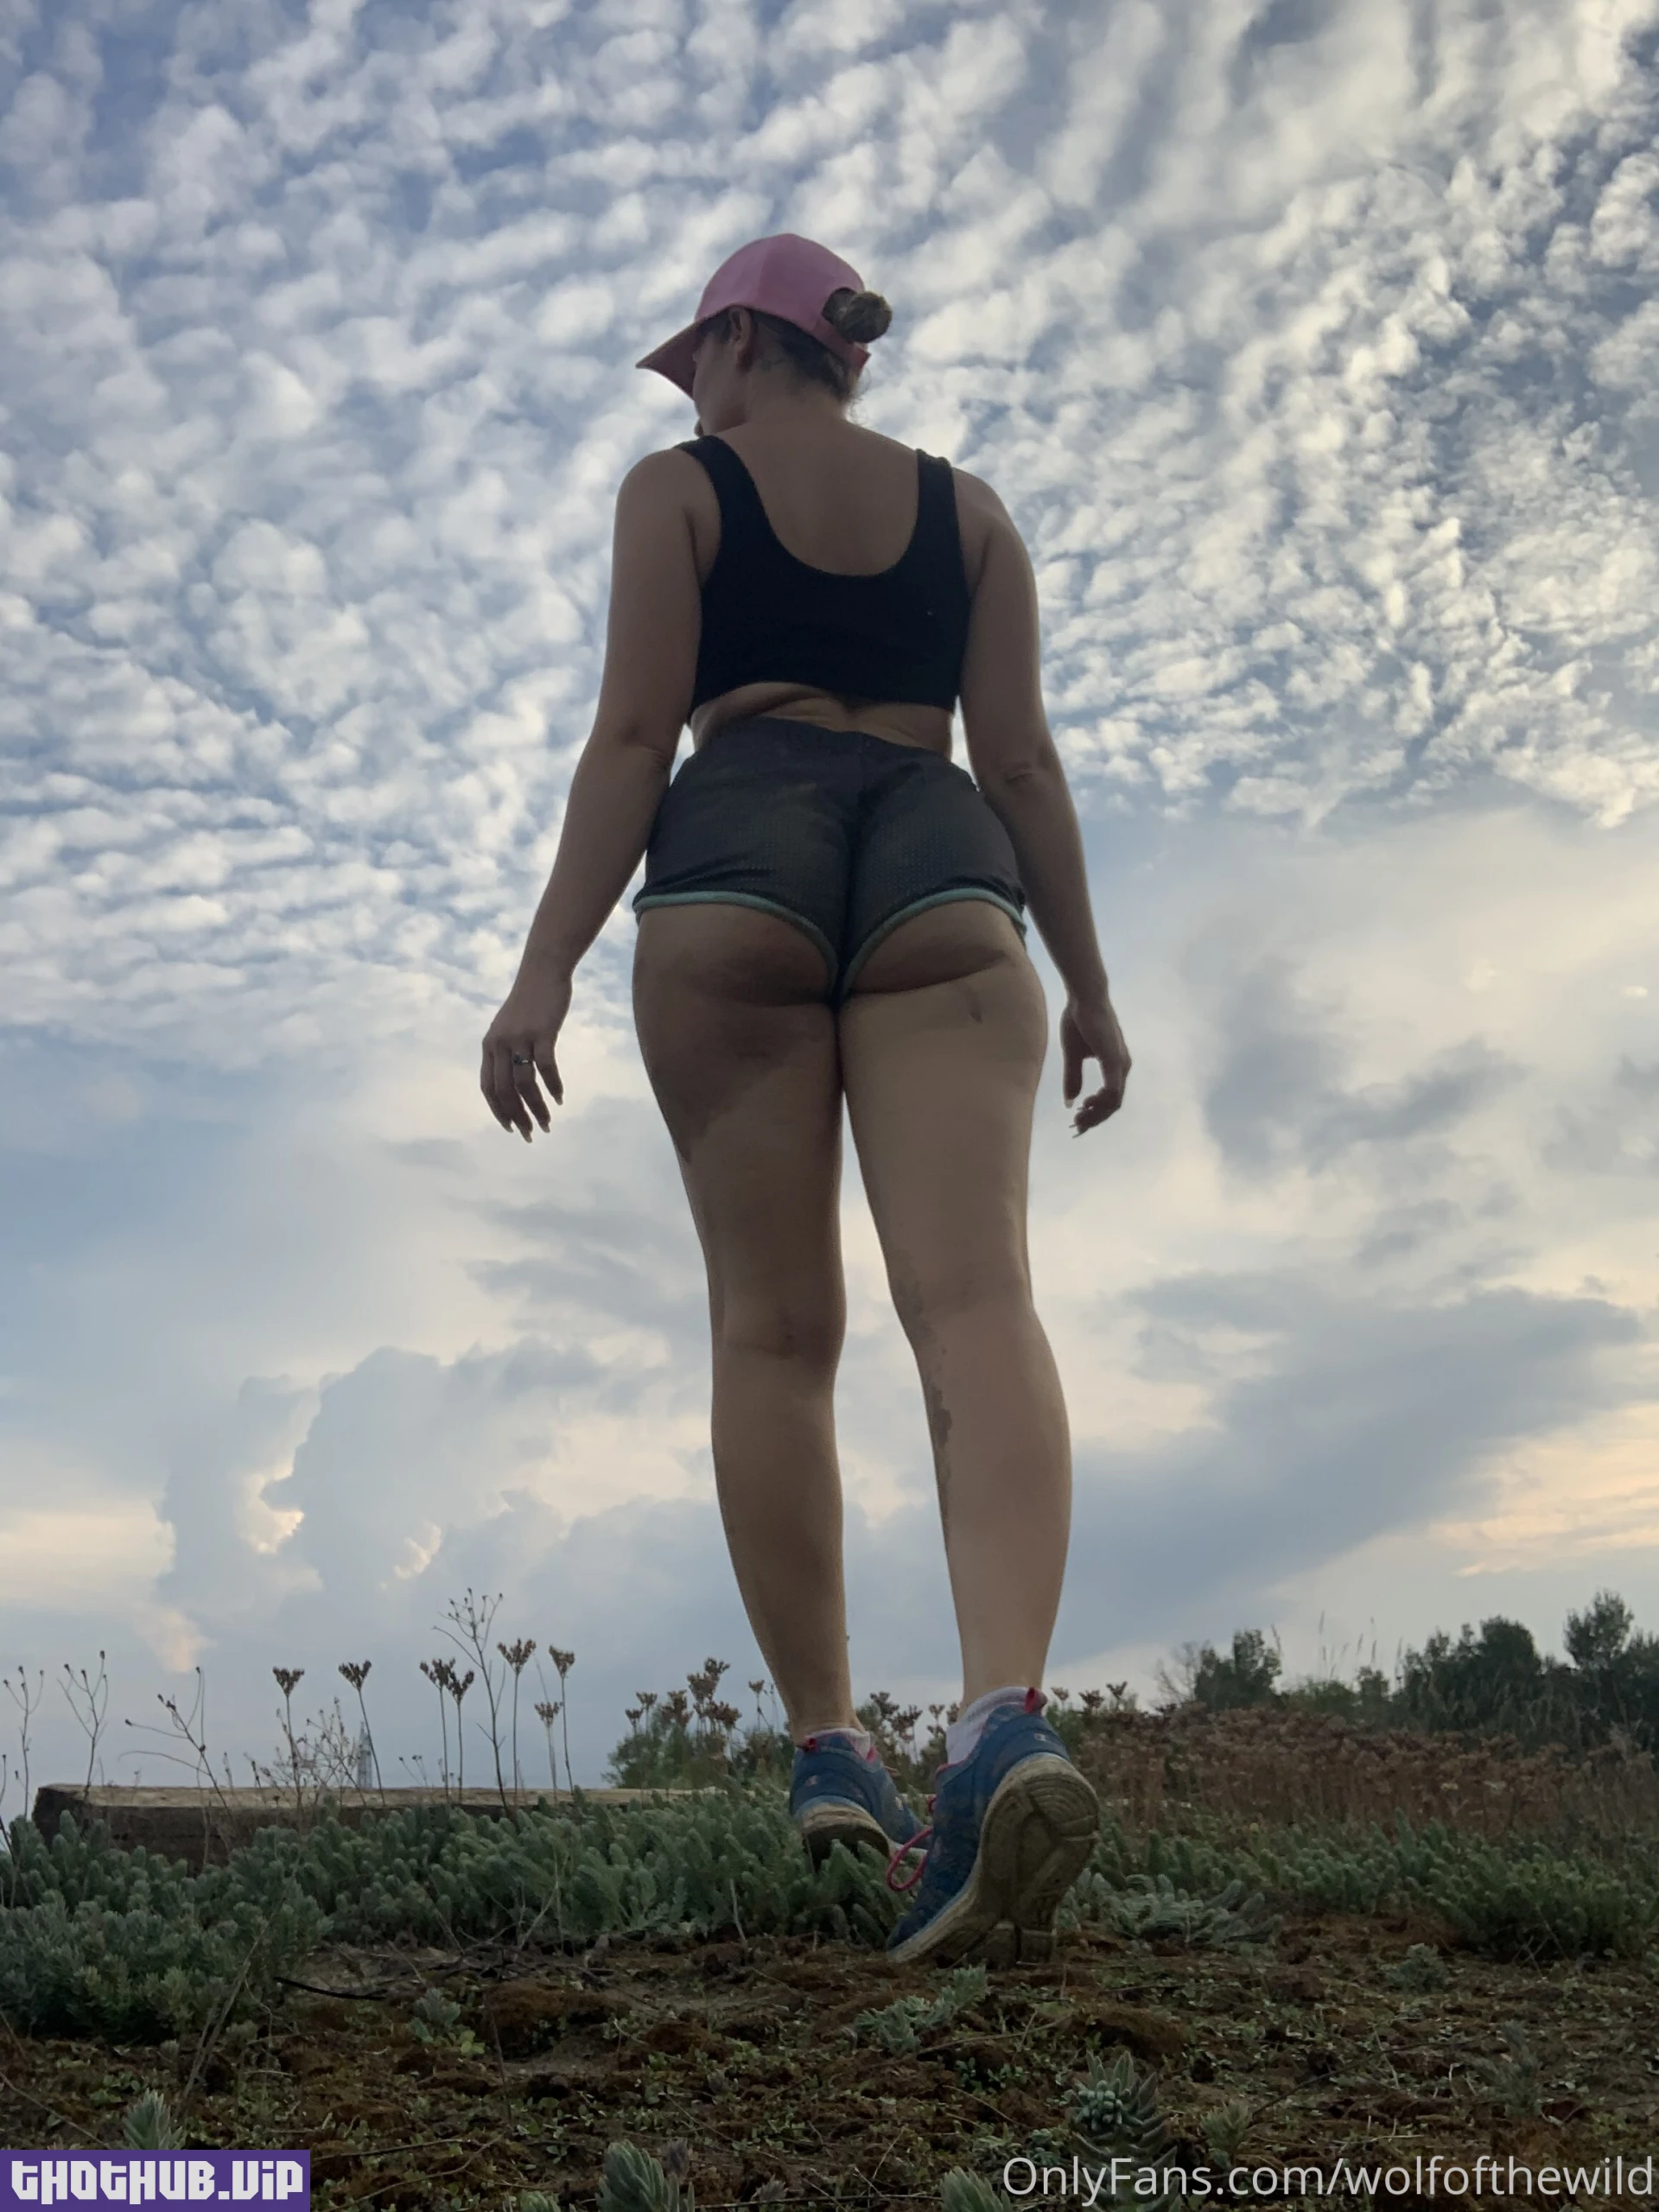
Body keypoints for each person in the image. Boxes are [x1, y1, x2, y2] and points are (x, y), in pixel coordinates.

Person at [480, 233, 1132, 1969]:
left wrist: (542, 971)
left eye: (695, 359)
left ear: (742, 345)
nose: (690, 391)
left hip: (737, 855)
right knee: (977, 1299)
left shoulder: (680, 490)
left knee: (774, 1330)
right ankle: (1001, 1726)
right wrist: (1091, 984)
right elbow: (1022, 761)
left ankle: (832, 1747)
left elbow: (634, 741)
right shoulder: (970, 516)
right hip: (942, 859)